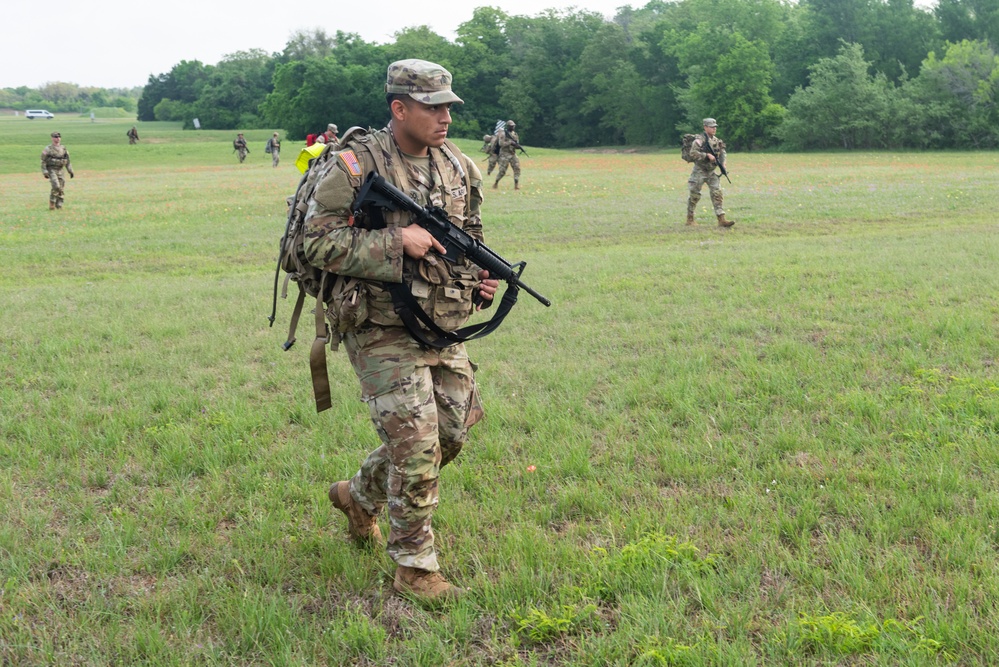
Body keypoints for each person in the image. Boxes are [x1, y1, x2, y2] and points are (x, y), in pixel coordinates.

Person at [303, 58, 499, 602]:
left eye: (448, 107)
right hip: (376, 323)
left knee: (452, 434)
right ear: (399, 108)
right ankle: (414, 567)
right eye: (433, 107)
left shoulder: (458, 166)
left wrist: (477, 277)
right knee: (415, 448)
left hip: (437, 320)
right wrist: (396, 242)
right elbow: (312, 245)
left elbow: (469, 234)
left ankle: (358, 497)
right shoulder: (353, 166)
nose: (445, 118)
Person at [686, 118, 734, 227]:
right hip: (699, 171)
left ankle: (721, 219)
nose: (714, 128)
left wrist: (723, 163)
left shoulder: (716, 141)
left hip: (711, 172)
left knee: (717, 193)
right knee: (694, 195)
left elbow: (722, 152)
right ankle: (690, 218)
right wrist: (706, 156)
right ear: (705, 127)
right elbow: (692, 153)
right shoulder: (699, 141)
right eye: (711, 127)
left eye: (715, 127)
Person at [40, 131, 74, 210]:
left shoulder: (63, 148)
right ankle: (52, 203)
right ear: (52, 138)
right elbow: (43, 161)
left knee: (61, 188)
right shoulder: (48, 149)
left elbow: (67, 161)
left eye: (58, 137)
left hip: (60, 169)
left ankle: (59, 205)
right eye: (55, 137)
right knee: (56, 186)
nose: (57, 138)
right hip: (52, 169)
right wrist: (45, 171)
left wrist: (70, 171)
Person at [492, 120, 521, 190]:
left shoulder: (515, 134)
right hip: (504, 154)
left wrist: (518, 146)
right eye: (511, 126)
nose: (513, 127)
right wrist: (510, 142)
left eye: (513, 126)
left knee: (517, 169)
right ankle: (496, 183)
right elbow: (501, 144)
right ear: (508, 126)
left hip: (512, 154)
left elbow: (516, 144)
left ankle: (516, 185)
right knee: (502, 171)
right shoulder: (503, 134)